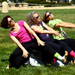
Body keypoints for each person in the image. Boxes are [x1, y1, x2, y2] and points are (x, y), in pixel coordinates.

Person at [0, 15, 67, 69]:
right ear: (8, 25)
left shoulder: (21, 23)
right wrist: (24, 50)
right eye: (10, 21)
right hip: (24, 44)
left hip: (32, 41)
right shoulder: (11, 34)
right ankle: (10, 64)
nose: (12, 21)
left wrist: (38, 40)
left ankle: (61, 58)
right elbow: (18, 43)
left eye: (11, 19)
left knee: (44, 46)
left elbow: (31, 31)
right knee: (14, 55)